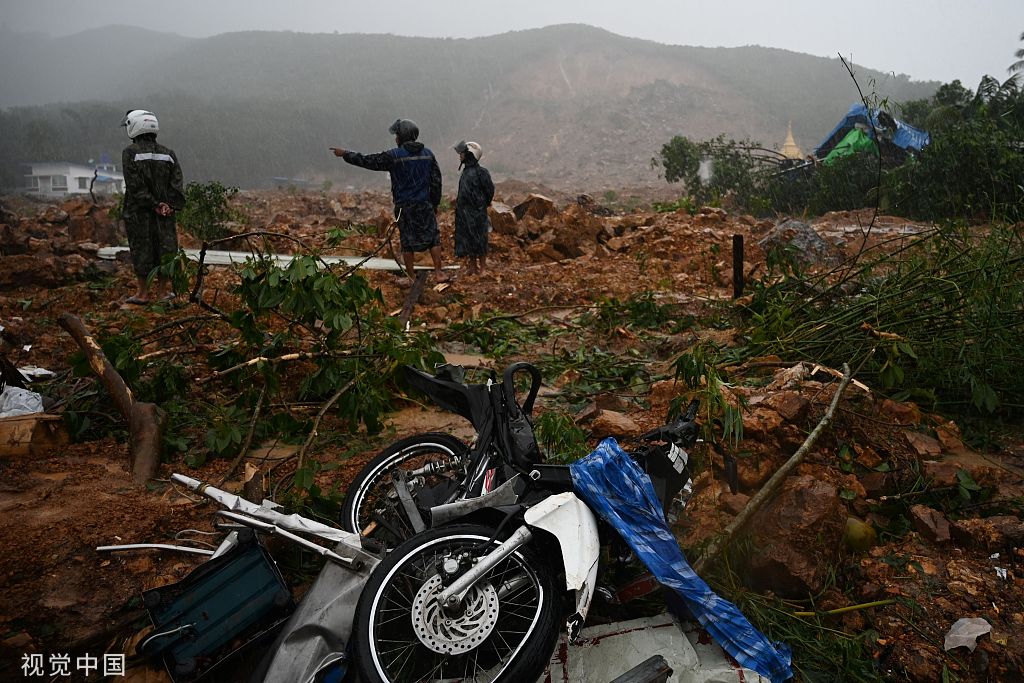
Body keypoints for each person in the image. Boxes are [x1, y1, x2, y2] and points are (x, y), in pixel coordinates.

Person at [331, 119, 448, 283]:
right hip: (424, 204)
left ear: (402, 136)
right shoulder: (428, 154)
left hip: (404, 206)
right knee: (432, 237)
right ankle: (439, 272)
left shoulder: (394, 156)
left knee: (407, 241)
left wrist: (345, 154)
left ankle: (410, 276)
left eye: (397, 135)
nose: (395, 138)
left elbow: (368, 161)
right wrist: (434, 203)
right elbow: (436, 181)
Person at [120, 109, 185, 304]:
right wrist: (168, 205)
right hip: (165, 214)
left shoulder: (130, 153)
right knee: (165, 250)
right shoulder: (168, 154)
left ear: (134, 127)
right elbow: (177, 183)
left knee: (141, 249)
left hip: (139, 212)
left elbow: (135, 186)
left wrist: (153, 204)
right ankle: (163, 293)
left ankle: (143, 293)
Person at [453, 140, 495, 276]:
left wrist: (482, 204)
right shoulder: (465, 172)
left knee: (480, 239)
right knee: (468, 239)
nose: (460, 155)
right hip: (464, 213)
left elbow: (489, 191)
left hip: (477, 212)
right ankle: (472, 267)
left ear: (470, 155)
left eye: (463, 153)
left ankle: (482, 268)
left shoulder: (482, 173)